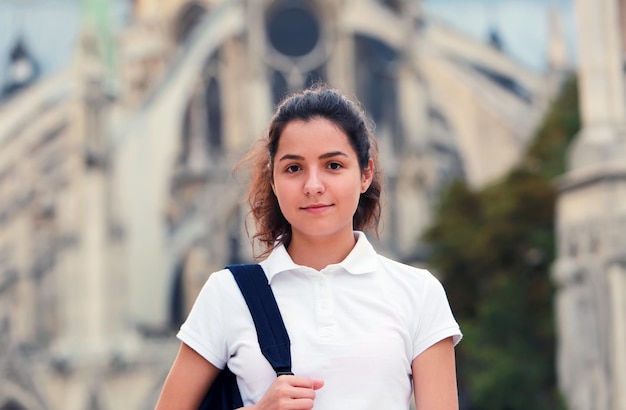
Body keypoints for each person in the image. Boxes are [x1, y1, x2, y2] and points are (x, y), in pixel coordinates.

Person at [156, 85, 462, 409]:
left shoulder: (418, 293)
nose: (313, 186)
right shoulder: (227, 294)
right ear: (272, 180)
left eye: (333, 165)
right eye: (293, 168)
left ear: (365, 174)